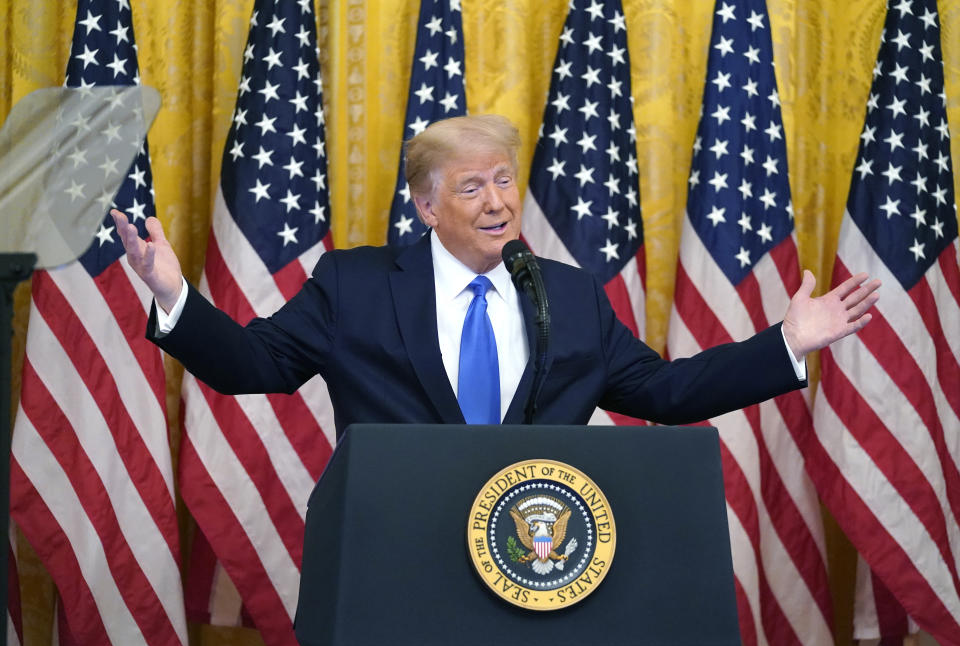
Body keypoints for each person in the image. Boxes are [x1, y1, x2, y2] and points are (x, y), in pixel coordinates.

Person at [112, 114, 880, 439]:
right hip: (397, 559)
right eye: (473, 187)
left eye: (506, 181)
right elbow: (256, 368)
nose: (499, 202)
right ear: (426, 205)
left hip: (538, 560)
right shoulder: (355, 284)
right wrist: (173, 294)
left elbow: (663, 394)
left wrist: (787, 343)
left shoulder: (569, 293)